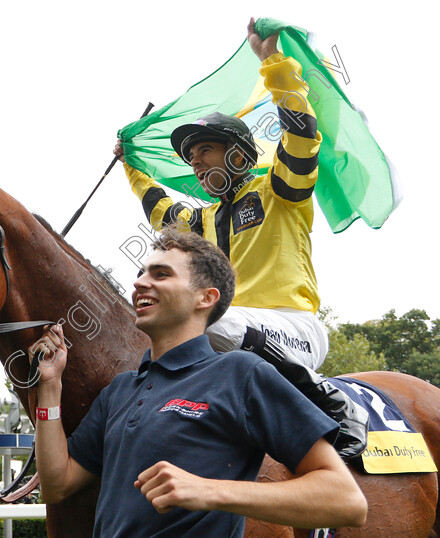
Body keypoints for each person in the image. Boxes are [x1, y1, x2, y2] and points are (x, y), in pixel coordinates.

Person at [114, 18, 366, 457]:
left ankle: (334, 403)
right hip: (233, 334)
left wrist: (273, 63)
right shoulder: (202, 220)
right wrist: (130, 165)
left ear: (237, 153)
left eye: (203, 151)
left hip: (295, 328)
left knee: (207, 318)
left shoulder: (280, 188)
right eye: (191, 158)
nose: (195, 164)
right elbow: (158, 209)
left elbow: (302, 134)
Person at [32, 231, 367, 536]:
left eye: (161, 274)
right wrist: (49, 387)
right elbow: (56, 483)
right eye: (141, 273)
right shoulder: (119, 390)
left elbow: (346, 500)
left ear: (206, 298)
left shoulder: (241, 373)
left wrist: (207, 490)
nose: (140, 283)